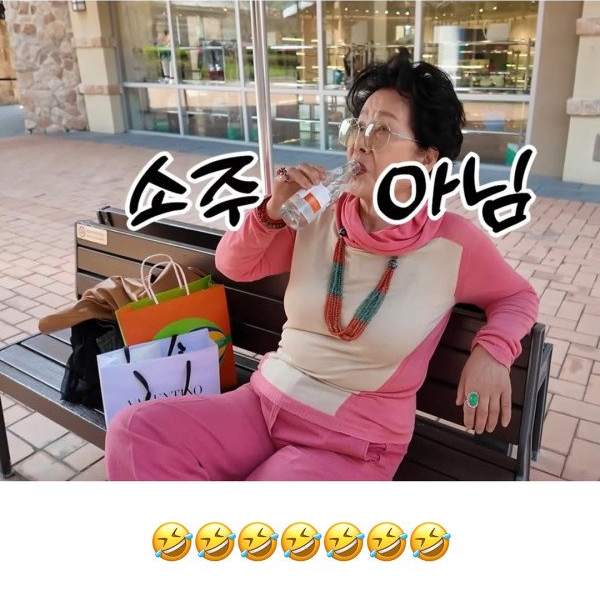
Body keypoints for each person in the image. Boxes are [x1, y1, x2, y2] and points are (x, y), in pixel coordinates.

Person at [105, 52, 539, 481]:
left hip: (354, 442)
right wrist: (271, 211)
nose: (360, 142)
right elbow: (233, 265)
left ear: (426, 158)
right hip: (262, 404)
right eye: (357, 126)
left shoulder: (452, 244)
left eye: (382, 130)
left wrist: (492, 352)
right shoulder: (317, 213)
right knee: (135, 433)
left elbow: (517, 296)